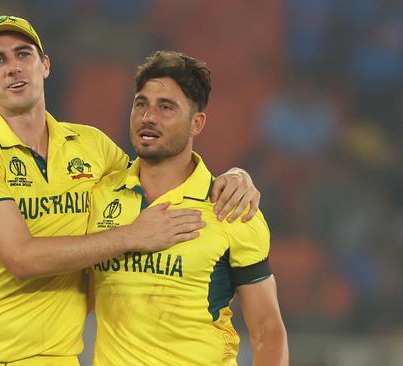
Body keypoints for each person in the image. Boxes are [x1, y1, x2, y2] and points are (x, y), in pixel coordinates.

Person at [0, 15, 261, 366]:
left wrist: (235, 176)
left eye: (23, 54)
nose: (13, 68)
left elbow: (161, 176)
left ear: (44, 66)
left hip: (58, 358)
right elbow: (20, 258)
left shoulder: (92, 147)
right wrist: (130, 236)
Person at [88, 51, 288, 365]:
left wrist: (240, 174)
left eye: (165, 107)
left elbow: (267, 330)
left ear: (197, 123)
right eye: (141, 104)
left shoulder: (231, 207)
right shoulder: (99, 196)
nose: (148, 117)